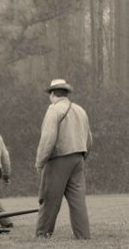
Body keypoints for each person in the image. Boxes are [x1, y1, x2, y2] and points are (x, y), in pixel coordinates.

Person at [35, 79, 92, 239]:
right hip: (79, 158)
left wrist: (40, 162)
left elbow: (48, 139)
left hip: (59, 159)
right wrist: (82, 156)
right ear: (66, 93)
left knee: (50, 199)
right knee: (78, 200)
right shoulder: (80, 110)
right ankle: (83, 236)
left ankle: (42, 234)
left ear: (52, 94)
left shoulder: (53, 109)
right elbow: (89, 139)